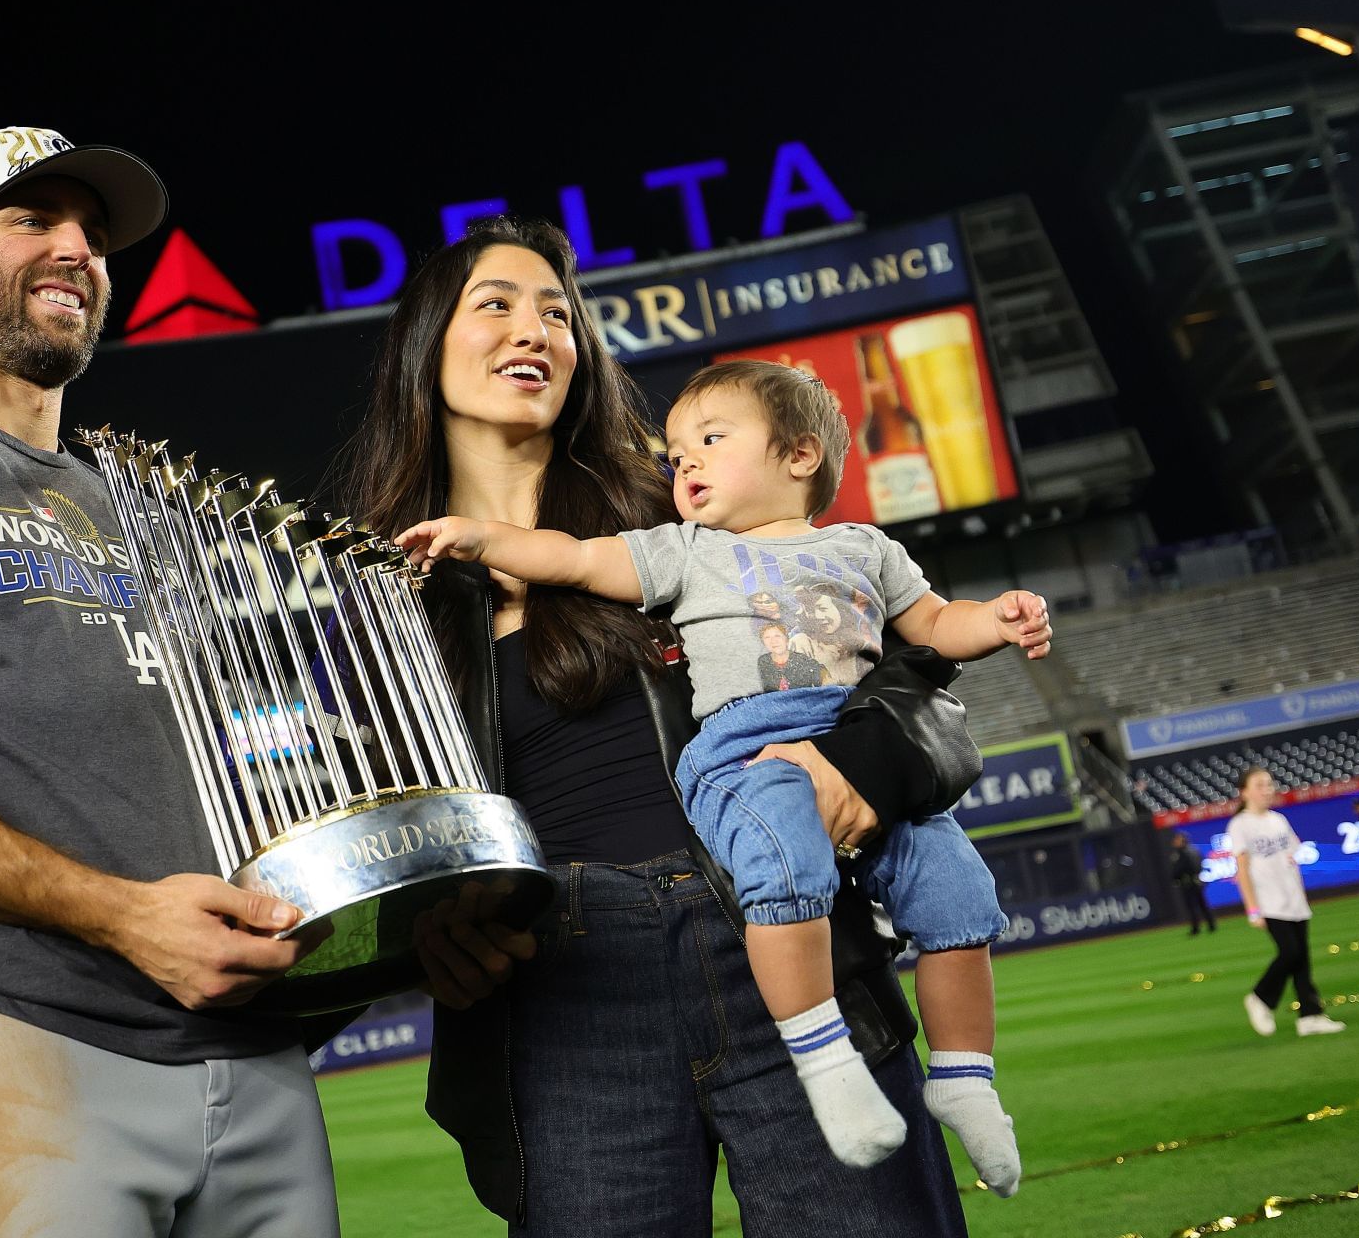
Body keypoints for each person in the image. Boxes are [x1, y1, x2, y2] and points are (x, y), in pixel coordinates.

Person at [0, 127, 519, 1238]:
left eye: (95, 235)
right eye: (32, 219)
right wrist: (121, 917)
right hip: (29, 1038)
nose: (76, 249)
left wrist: (386, 927)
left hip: (252, 1043)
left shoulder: (134, 501)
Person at [329, 215, 985, 1236]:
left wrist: (863, 757)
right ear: (424, 344)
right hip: (563, 992)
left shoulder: (685, 500)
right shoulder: (380, 589)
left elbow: (910, 660)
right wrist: (430, 935)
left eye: (558, 313)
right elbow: (394, 834)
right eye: (496, 304)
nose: (536, 329)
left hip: (773, 926)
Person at [398, 357, 1046, 1188]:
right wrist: (486, 538)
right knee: (785, 867)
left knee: (959, 889)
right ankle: (825, 1062)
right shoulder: (684, 550)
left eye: (710, 440)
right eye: (676, 455)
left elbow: (933, 626)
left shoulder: (866, 548)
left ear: (800, 454)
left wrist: (996, 619)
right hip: (744, 749)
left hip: (846, 737)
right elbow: (576, 558)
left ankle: (965, 1078)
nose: (685, 464)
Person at [1232, 768, 1347, 1038]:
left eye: (1269, 784)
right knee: (1290, 953)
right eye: (1260, 785)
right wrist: (1253, 909)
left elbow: (1293, 852)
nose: (1267, 789)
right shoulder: (1240, 825)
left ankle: (1310, 1016)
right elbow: (1242, 870)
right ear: (1244, 792)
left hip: (1293, 898)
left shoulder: (1278, 819)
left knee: (1302, 960)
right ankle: (1260, 997)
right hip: (1269, 902)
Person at [1169, 829, 1216, 935]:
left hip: (1189, 882)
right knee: (1201, 904)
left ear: (1183, 840)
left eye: (1177, 839)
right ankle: (1210, 925)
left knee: (1193, 906)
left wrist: (1176, 877)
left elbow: (1182, 868)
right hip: (1196, 881)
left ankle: (1197, 928)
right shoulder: (1193, 850)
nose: (1175, 841)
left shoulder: (1183, 853)